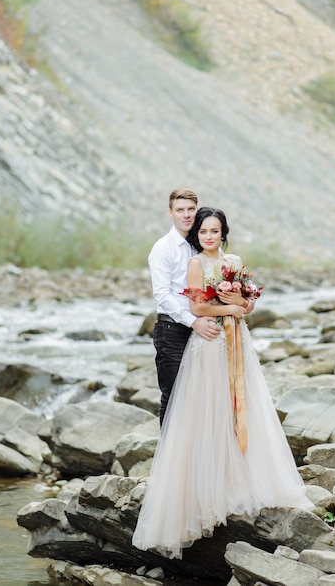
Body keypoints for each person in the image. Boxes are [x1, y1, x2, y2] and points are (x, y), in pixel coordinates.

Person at [132, 207, 313, 560]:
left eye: (214, 231)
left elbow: (247, 305)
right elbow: (198, 309)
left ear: (223, 233)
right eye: (203, 232)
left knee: (243, 402)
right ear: (197, 235)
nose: (209, 237)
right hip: (211, 343)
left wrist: (240, 304)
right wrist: (228, 310)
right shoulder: (196, 264)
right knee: (210, 407)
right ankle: (206, 489)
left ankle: (243, 477)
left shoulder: (235, 260)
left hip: (238, 340)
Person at [148, 188, 221, 425]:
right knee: (174, 398)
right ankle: (170, 462)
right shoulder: (163, 248)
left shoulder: (202, 243)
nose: (186, 215)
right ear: (170, 213)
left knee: (201, 397)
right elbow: (162, 295)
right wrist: (194, 321)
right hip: (172, 332)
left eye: (191, 209)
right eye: (180, 210)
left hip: (201, 331)